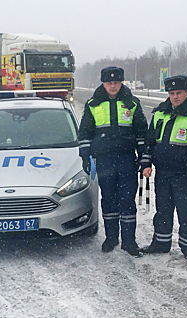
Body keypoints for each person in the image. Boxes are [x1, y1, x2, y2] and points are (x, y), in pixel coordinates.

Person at [141, 75, 187, 266]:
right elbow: (150, 142)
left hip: (185, 176)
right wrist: (146, 164)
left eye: (179, 93)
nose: (175, 97)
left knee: (186, 214)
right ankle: (161, 244)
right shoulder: (159, 113)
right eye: (172, 93)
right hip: (163, 174)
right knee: (163, 212)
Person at [78, 66, 147, 256]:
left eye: (116, 82)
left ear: (121, 82)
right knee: (109, 200)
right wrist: (85, 156)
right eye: (109, 82)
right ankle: (111, 238)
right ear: (103, 83)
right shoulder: (93, 104)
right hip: (104, 160)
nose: (113, 86)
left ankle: (129, 241)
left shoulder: (132, 103)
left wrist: (143, 156)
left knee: (127, 201)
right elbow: (85, 133)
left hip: (127, 159)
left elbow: (141, 131)